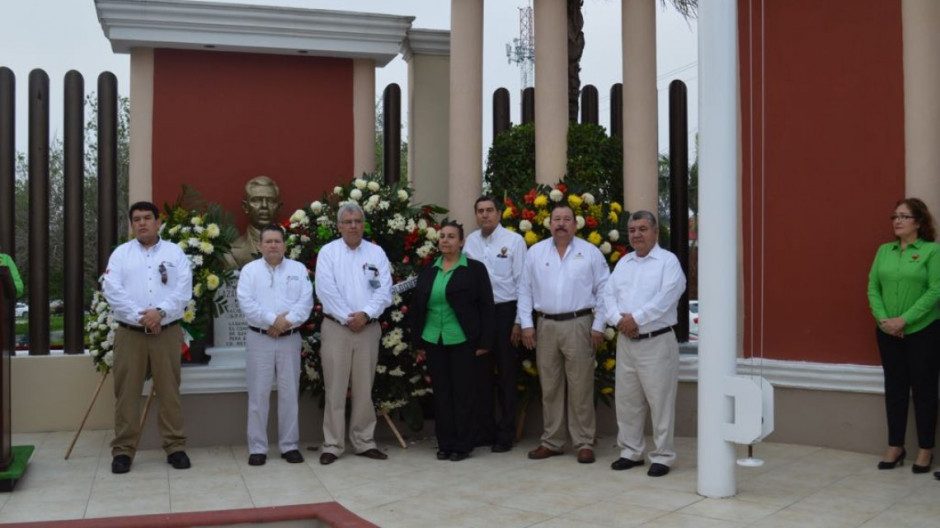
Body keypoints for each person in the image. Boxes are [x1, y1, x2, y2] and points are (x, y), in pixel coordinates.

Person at [103, 201, 193, 474]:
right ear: (132, 225)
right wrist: (143, 316)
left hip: (166, 333)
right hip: (131, 334)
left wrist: (161, 313)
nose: (142, 223)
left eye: (147, 218)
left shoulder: (174, 253)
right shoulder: (121, 254)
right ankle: (123, 451)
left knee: (169, 392)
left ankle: (175, 447)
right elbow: (112, 289)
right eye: (137, 219)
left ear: (158, 222)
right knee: (127, 394)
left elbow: (183, 289)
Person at [518, 202, 609, 464]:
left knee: (581, 385)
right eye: (556, 219)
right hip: (545, 325)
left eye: (566, 219)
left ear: (575, 224)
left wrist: (599, 325)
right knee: (550, 386)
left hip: (579, 323)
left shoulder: (590, 253)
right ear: (549, 224)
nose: (560, 223)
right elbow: (525, 290)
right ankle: (552, 441)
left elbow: (604, 289)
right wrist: (526, 323)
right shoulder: (535, 252)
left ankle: (583, 442)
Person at [603, 211, 686, 478]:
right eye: (632, 229)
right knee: (627, 401)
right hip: (627, 342)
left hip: (657, 342)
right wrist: (618, 320)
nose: (636, 234)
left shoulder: (668, 262)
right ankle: (631, 451)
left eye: (642, 229)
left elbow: (667, 297)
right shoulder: (624, 263)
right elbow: (607, 295)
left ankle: (662, 455)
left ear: (655, 232)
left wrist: (636, 319)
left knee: (660, 402)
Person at [314, 202, 392, 465]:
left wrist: (366, 314)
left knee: (364, 388)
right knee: (335, 388)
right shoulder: (328, 253)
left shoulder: (376, 253)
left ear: (363, 223)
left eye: (358, 221)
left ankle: (363, 441)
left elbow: (384, 290)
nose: (353, 226)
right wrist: (349, 317)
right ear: (338, 226)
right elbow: (325, 289)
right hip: (337, 328)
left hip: (368, 329)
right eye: (347, 222)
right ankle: (333, 444)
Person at [867, 198, 940, 475]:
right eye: (894, 216)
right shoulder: (884, 251)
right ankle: (895, 446)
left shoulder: (932, 252)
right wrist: (884, 320)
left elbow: (935, 291)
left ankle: (925, 449)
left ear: (919, 223)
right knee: (895, 390)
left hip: (923, 332)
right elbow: (873, 287)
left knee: (924, 391)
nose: (897, 221)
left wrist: (904, 320)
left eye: (904, 216)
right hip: (887, 332)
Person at [412, 221, 495, 461]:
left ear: (461, 242)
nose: (445, 240)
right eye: (442, 236)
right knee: (442, 394)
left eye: (451, 236)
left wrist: (485, 342)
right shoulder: (429, 270)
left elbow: (486, 307)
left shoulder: (474, 269)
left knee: (463, 394)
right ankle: (445, 443)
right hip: (433, 339)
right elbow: (418, 308)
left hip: (462, 339)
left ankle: (462, 444)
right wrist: (417, 343)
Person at [237, 224, 313, 466]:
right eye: (268, 241)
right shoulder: (249, 271)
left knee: (289, 393)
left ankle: (289, 446)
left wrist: (285, 323)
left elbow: (305, 303)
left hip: (289, 339)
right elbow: (246, 303)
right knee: (258, 394)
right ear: (260, 246)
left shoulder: (298, 269)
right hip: (259, 338)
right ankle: (257, 448)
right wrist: (272, 320)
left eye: (277, 241)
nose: (272, 245)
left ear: (285, 245)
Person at [464, 196, 527, 452]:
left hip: (505, 311)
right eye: (480, 211)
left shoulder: (514, 241)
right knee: (480, 375)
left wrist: (519, 321)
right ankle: (485, 431)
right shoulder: (470, 242)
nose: (485, 215)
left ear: (499, 214)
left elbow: (524, 283)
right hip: (479, 314)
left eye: (490, 210)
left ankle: (506, 433)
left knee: (506, 376)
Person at [226, 175, 283, 269]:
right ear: (245, 207)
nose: (264, 206)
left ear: (279, 207)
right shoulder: (232, 252)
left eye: (271, 201)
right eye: (256, 200)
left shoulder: (295, 248)